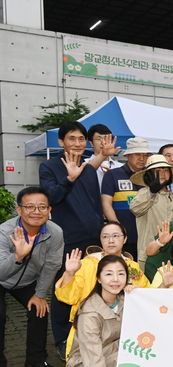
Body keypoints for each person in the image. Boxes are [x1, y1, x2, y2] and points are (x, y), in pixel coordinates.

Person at [39, 121, 104, 354]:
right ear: (61, 141)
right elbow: (52, 198)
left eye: (81, 139)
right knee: (64, 287)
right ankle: (61, 338)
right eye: (72, 138)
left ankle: (87, 331)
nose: (77, 143)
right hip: (66, 241)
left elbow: (95, 203)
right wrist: (69, 179)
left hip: (93, 239)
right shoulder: (48, 167)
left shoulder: (88, 169)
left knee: (91, 287)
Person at [55, 221, 150, 362]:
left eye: (116, 236)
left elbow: (146, 296)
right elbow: (67, 297)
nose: (110, 240)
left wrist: (135, 292)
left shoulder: (132, 266)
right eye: (105, 236)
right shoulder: (87, 264)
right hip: (93, 325)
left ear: (125, 239)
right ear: (100, 239)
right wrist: (69, 273)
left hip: (123, 326)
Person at [0, 187, 63, 367]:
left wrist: (40, 294)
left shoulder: (55, 232)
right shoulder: (4, 232)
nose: (36, 211)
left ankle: (35, 362)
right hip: (2, 277)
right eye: (30, 206)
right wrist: (18, 256)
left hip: (27, 282)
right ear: (19, 210)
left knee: (39, 310)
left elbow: (53, 264)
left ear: (49, 209)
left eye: (42, 207)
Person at [66, 255, 129, 367]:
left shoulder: (124, 300)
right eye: (108, 274)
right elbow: (93, 359)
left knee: (142, 350)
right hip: (85, 365)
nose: (115, 279)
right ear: (99, 279)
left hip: (111, 351)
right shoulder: (89, 313)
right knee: (134, 356)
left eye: (121, 274)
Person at [129, 155, 173, 269]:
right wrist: (152, 191)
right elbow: (135, 208)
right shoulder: (144, 193)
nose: (163, 174)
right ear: (149, 175)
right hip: (149, 253)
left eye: (166, 170)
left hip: (172, 254)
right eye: (157, 171)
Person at [100, 137, 152, 260]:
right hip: (124, 237)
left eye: (145, 155)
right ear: (128, 155)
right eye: (137, 154)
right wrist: (119, 229)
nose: (141, 158)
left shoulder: (151, 176)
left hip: (148, 237)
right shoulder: (112, 175)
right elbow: (106, 204)